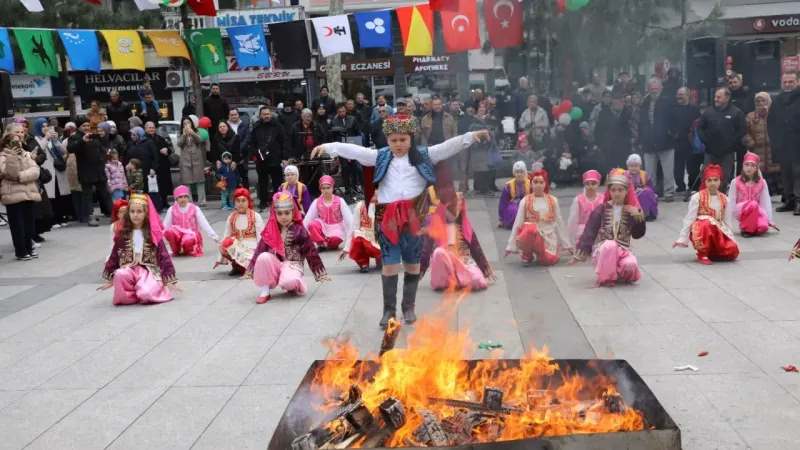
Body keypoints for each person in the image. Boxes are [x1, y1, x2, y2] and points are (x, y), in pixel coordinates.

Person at [310, 115, 490, 328]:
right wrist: (328, 146)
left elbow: (448, 146)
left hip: (415, 216)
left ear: (410, 138)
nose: (398, 144)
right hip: (388, 219)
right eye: (394, 140)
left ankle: (408, 306)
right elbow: (354, 151)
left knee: (412, 264)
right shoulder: (379, 156)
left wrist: (471, 136)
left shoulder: (424, 155)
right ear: (387, 139)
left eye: (402, 140)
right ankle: (388, 311)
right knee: (390, 265)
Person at [243, 192, 330, 304]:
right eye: (279, 213)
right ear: (275, 214)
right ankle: (265, 291)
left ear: (293, 212)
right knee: (263, 257)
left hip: (292, 265)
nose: (283, 217)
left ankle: (292, 280)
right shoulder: (271, 230)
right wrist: (250, 269)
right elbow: (260, 249)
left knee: (290, 282)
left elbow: (311, 252)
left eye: (286, 213)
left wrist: (320, 273)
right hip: (275, 265)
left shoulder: (299, 230)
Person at [569, 169, 646, 286]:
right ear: (609, 191)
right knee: (610, 245)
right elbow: (590, 231)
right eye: (613, 190)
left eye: (620, 190)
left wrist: (638, 217)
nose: (616, 193)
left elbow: (637, 235)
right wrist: (579, 253)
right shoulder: (602, 209)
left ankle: (618, 273)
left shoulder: (631, 210)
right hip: (602, 251)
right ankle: (605, 278)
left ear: (626, 191)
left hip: (623, 251)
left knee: (630, 265)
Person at [100, 192, 180, 305]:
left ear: (146, 213)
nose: (135, 215)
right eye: (132, 211)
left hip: (148, 271)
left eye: (139, 211)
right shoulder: (123, 234)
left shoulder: (152, 234)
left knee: (146, 293)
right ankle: (131, 296)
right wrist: (110, 279)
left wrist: (169, 279)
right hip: (129, 268)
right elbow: (114, 256)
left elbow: (164, 257)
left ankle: (152, 290)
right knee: (119, 274)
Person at [420, 190, 493, 291]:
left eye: (459, 207)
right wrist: (420, 270)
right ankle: (454, 281)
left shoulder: (465, 225)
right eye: (453, 207)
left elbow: (475, 247)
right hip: (443, 265)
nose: (456, 210)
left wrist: (485, 268)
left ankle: (458, 280)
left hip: (462, 261)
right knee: (438, 252)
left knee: (478, 280)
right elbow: (426, 250)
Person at [674, 164, 739, 265]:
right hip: (701, 230)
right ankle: (702, 253)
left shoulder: (724, 198)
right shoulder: (697, 197)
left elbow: (726, 220)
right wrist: (682, 238)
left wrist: (730, 236)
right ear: (705, 181)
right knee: (706, 222)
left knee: (732, 251)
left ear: (720, 181)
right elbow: (690, 218)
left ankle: (712, 251)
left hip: (717, 231)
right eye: (709, 180)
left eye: (715, 180)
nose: (712, 183)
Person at [505, 169, 571, 266]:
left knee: (547, 261)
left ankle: (545, 254)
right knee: (529, 228)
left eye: (541, 182)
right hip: (530, 236)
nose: (538, 185)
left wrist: (567, 244)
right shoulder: (525, 200)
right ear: (531, 184)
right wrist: (510, 246)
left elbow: (559, 222)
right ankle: (527, 255)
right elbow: (518, 222)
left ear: (545, 184)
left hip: (547, 236)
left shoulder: (553, 200)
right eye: (535, 182)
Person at [0, 123, 40, 260]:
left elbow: (35, 171)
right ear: (9, 136)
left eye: (22, 132)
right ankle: (21, 251)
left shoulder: (26, 153)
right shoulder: (3, 154)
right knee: (17, 225)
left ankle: (29, 247)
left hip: (28, 192)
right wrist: (12, 157)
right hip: (12, 193)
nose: (20, 134)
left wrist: (21, 177)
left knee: (29, 223)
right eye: (16, 132)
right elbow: (10, 173)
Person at [697, 88, 747, 191]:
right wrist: (705, 141)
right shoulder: (708, 112)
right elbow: (700, 127)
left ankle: (722, 198)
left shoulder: (736, 112)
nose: (715, 99)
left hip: (727, 152)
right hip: (710, 151)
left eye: (719, 97)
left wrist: (732, 142)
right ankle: (707, 199)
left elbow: (742, 130)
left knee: (724, 177)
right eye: (715, 97)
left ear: (727, 98)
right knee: (708, 176)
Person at [67, 117, 112, 227]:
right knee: (87, 195)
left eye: (88, 125)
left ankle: (114, 214)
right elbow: (70, 148)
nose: (87, 128)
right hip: (85, 170)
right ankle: (90, 216)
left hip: (98, 169)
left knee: (105, 193)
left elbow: (102, 149)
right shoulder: (74, 137)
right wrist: (82, 140)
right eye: (84, 126)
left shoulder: (94, 135)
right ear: (79, 127)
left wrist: (103, 157)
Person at [242, 106, 288, 212]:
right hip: (261, 160)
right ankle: (263, 202)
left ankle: (278, 201)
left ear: (271, 115)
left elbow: (284, 142)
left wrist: (284, 157)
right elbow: (252, 143)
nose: (266, 116)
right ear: (260, 115)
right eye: (264, 114)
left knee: (278, 182)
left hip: (275, 159)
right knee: (262, 182)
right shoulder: (256, 127)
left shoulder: (278, 127)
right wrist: (254, 155)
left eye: (268, 114)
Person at [639, 78, 676, 202]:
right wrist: (641, 138)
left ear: (661, 88)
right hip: (648, 142)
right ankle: (651, 193)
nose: (654, 91)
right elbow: (641, 122)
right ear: (648, 89)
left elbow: (675, 119)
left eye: (656, 88)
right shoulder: (644, 102)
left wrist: (671, 133)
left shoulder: (668, 101)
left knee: (668, 170)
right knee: (649, 172)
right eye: (652, 89)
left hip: (666, 141)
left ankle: (669, 192)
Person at [217, 188, 265, 276]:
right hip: (237, 246)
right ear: (235, 203)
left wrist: (261, 254)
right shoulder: (231, 217)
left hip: (252, 246)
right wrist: (222, 251)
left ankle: (248, 267)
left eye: (243, 200)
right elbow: (226, 235)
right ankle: (236, 266)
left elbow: (261, 237)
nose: (241, 203)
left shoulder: (255, 216)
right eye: (238, 201)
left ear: (248, 202)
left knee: (250, 259)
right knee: (226, 245)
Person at [771, 72, 800, 213]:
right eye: (785, 82)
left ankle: (799, 201)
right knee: (786, 173)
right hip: (783, 143)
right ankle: (790, 200)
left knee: (798, 173)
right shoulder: (777, 100)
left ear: (798, 82)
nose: (787, 85)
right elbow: (771, 122)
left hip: (798, 142)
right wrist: (775, 140)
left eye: (791, 82)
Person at [34, 117, 71, 228]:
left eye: (46, 126)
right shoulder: (36, 138)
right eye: (43, 126)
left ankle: (61, 217)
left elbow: (64, 151)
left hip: (57, 170)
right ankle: (53, 220)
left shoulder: (52, 138)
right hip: (47, 170)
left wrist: (55, 140)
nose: (45, 128)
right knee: (51, 195)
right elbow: (38, 149)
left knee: (59, 194)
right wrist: (46, 138)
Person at [163, 185, 220, 256]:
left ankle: (189, 250)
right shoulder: (172, 209)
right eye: (180, 197)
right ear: (176, 199)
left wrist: (215, 237)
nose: (183, 199)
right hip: (178, 234)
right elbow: (165, 225)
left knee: (187, 239)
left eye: (185, 197)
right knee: (170, 231)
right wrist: (158, 241)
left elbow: (204, 223)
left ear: (188, 198)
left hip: (191, 234)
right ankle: (176, 250)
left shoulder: (194, 208)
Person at [726, 152, 774, 237]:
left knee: (763, 227)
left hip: (755, 209)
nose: (749, 168)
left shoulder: (762, 182)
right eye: (747, 165)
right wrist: (728, 222)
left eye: (753, 165)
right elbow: (731, 201)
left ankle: (751, 227)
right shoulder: (736, 181)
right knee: (753, 204)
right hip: (741, 210)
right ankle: (746, 228)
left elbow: (765, 201)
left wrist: (769, 220)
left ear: (756, 168)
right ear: (743, 166)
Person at [303, 175, 352, 251]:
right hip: (323, 225)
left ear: (332, 188)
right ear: (320, 189)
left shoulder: (339, 201)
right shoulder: (317, 201)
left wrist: (352, 236)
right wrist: (301, 235)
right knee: (312, 225)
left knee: (334, 241)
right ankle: (321, 244)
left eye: (328, 188)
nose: (326, 190)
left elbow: (349, 218)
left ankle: (329, 242)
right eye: (323, 188)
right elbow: (308, 218)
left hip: (337, 226)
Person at [671, 88, 702, 193]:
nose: (678, 97)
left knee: (692, 166)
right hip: (677, 142)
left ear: (687, 95)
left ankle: (693, 186)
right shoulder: (673, 108)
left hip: (690, 142)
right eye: (677, 94)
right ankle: (680, 186)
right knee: (677, 167)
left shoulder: (695, 108)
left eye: (681, 94)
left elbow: (698, 124)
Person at [342, 189, 380, 273]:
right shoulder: (360, 206)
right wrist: (346, 248)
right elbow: (353, 227)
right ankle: (363, 263)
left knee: (382, 264)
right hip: (366, 237)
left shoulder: (386, 204)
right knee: (357, 235)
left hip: (382, 239)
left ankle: (382, 259)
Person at [595, 93, 632, 173]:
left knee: (624, 168)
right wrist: (599, 143)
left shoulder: (627, 112)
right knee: (610, 169)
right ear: (613, 101)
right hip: (608, 146)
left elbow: (629, 128)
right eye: (617, 101)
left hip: (623, 146)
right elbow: (598, 128)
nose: (620, 103)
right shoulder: (604, 112)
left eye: (621, 101)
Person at [566, 169, 604, 245]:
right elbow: (573, 221)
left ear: (598, 184)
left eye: (593, 183)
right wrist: (570, 240)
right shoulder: (578, 200)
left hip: (600, 233)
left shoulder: (603, 199)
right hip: (582, 233)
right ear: (584, 185)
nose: (590, 186)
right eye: (587, 184)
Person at [743, 92, 776, 177]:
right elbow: (744, 132)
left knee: (776, 181)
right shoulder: (750, 116)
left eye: (763, 100)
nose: (760, 103)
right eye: (758, 101)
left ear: (768, 101)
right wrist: (751, 143)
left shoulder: (775, 115)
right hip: (756, 152)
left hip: (774, 153)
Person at [144, 121, 174, 210]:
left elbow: (170, 149)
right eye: (149, 128)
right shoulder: (145, 139)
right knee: (154, 186)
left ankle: (165, 202)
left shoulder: (160, 138)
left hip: (163, 164)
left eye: (153, 127)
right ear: (145, 129)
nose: (152, 129)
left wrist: (167, 150)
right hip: (152, 165)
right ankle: (156, 204)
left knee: (164, 184)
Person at [178, 117, 207, 206]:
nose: (186, 125)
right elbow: (179, 144)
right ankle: (189, 201)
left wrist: (192, 133)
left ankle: (202, 201)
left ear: (191, 124)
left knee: (200, 180)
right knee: (187, 181)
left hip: (197, 159)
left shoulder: (196, 131)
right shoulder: (180, 133)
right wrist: (184, 135)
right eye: (184, 123)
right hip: (185, 160)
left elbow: (199, 140)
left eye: (188, 123)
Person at [498, 161, 531, 229]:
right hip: (514, 204)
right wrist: (501, 219)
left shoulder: (530, 184)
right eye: (517, 172)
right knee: (514, 210)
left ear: (524, 173)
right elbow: (503, 203)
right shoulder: (508, 186)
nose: (519, 174)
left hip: (527, 204)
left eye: (521, 172)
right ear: (514, 173)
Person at [203, 83, 230, 161]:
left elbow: (227, 113)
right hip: (211, 127)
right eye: (213, 89)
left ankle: (225, 158)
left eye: (216, 88)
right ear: (211, 90)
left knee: (224, 143)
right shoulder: (206, 101)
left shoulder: (223, 100)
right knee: (213, 144)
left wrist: (224, 124)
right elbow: (205, 114)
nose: (215, 90)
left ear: (219, 90)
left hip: (222, 126)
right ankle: (214, 161)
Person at [626, 153, 657, 221]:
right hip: (629, 194)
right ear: (628, 166)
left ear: (640, 166)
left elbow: (650, 186)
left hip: (641, 193)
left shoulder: (644, 174)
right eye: (631, 166)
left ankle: (648, 214)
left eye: (636, 166)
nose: (634, 168)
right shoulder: (624, 175)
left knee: (648, 193)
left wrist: (644, 190)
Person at [227, 108, 250, 189]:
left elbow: (247, 138)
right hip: (230, 155)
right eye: (232, 115)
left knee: (244, 176)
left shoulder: (244, 125)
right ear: (229, 116)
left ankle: (246, 194)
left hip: (242, 154)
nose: (234, 116)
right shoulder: (226, 126)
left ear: (238, 115)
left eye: (235, 114)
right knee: (232, 176)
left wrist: (239, 149)